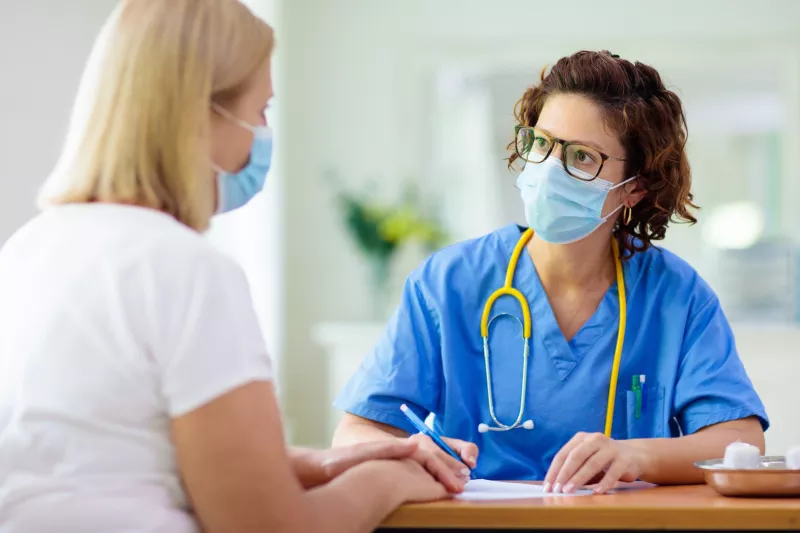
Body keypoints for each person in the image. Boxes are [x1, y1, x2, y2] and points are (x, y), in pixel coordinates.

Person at [0, 1, 467, 532]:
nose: (261, 134)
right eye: (261, 110)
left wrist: (327, 462)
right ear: (198, 112)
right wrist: (392, 482)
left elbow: (112, 451)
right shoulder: (184, 269)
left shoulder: (28, 249)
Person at [333, 50, 769, 494]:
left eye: (582, 157)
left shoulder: (676, 297)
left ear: (634, 187)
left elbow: (740, 441)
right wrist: (412, 452)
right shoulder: (448, 283)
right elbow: (356, 432)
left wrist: (636, 455)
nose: (548, 169)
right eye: (541, 143)